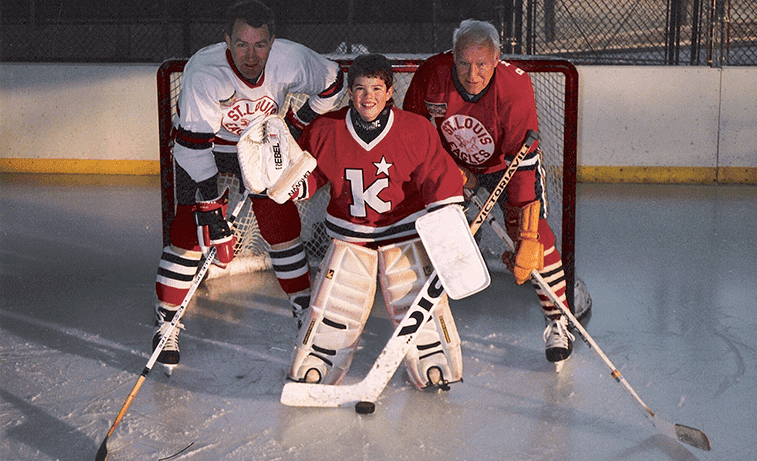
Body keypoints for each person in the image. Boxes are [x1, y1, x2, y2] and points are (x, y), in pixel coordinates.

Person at [153, 0, 346, 375]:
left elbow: (334, 81)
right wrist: (210, 204)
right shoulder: (204, 71)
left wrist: (296, 120)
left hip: (261, 147)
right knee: (189, 235)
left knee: (282, 228)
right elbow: (193, 146)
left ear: (273, 42)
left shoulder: (291, 58)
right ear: (226, 40)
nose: (251, 55)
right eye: (241, 44)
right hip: (206, 150)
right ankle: (167, 323)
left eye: (260, 45)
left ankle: (304, 312)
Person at [286, 54, 466, 390]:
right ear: (350, 93)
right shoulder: (325, 129)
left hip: (402, 234)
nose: (368, 96)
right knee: (336, 304)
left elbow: (438, 176)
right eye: (360, 89)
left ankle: (431, 359)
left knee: (414, 298)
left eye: (376, 88)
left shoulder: (416, 128)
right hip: (351, 236)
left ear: (389, 91)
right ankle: (319, 362)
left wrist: (447, 219)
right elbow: (311, 178)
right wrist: (291, 185)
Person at [404, 19, 577, 367]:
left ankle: (558, 321)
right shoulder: (431, 74)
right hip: (454, 167)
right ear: (452, 56)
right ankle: (425, 314)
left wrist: (526, 232)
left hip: (507, 165)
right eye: (465, 63)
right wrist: (448, 169)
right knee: (433, 233)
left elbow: (522, 162)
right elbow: (414, 130)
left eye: (482, 64)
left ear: (496, 59)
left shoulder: (514, 86)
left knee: (535, 238)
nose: (473, 74)